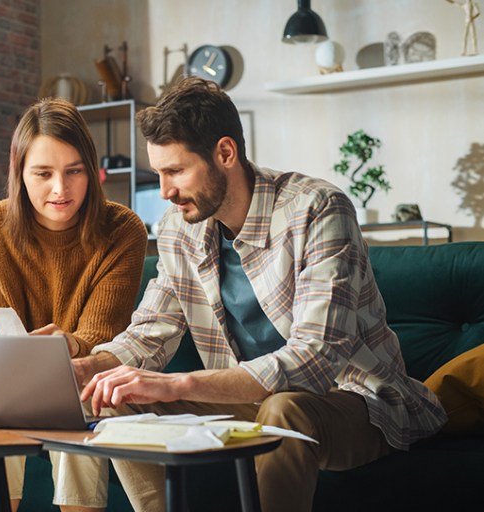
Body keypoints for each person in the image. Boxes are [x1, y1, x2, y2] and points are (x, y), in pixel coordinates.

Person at [68, 77, 447, 512]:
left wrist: (177, 384)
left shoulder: (318, 209)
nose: (165, 191)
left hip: (354, 400)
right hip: (247, 403)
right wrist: (88, 369)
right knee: (114, 399)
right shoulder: (178, 230)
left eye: (176, 171)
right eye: (159, 174)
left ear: (225, 153)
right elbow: (150, 332)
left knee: (285, 411)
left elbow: (316, 358)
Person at [0, 97, 147, 512]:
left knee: (77, 393)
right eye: (43, 173)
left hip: (84, 378)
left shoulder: (123, 229)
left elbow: (103, 337)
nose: (60, 189)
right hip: (9, 379)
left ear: (92, 171)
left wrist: (68, 346)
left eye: (74, 172)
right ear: (20, 173)